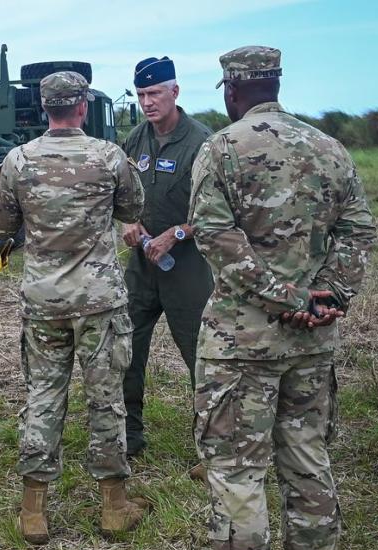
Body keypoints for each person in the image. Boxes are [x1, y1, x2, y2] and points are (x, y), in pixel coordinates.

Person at [184, 46, 374, 550]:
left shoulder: (222, 147)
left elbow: (213, 235)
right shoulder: (330, 148)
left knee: (238, 476)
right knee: (308, 462)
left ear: (233, 90)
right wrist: (327, 297)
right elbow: (357, 231)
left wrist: (280, 295)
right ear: (275, 84)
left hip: (244, 344)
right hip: (311, 344)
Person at [0, 71, 149, 546]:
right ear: (82, 107)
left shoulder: (18, 160)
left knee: (42, 396)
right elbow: (130, 209)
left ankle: (33, 510)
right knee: (105, 399)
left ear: (45, 109)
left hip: (43, 301)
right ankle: (114, 506)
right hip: (99, 300)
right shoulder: (108, 156)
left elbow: (0, 224)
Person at [119, 57, 214, 472]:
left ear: (175, 92)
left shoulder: (203, 142)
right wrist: (129, 221)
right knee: (126, 349)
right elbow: (121, 193)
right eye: (141, 94)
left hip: (188, 266)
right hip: (142, 265)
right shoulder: (136, 139)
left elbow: (218, 210)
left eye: (154, 93)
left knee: (202, 355)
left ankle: (213, 445)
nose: (147, 102)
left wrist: (176, 233)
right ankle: (129, 435)